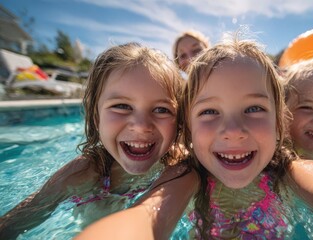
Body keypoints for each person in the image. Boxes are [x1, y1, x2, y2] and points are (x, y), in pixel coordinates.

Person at [76, 37, 313, 240]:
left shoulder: (291, 169)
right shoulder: (187, 175)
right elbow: (147, 217)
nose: (233, 130)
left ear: (279, 122)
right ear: (187, 128)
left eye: (254, 109)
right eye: (209, 112)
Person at [0, 42, 185, 239]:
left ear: (179, 120)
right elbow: (14, 224)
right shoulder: (81, 174)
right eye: (122, 106)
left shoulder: (179, 165)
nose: (141, 125)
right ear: (96, 118)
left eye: (161, 109)